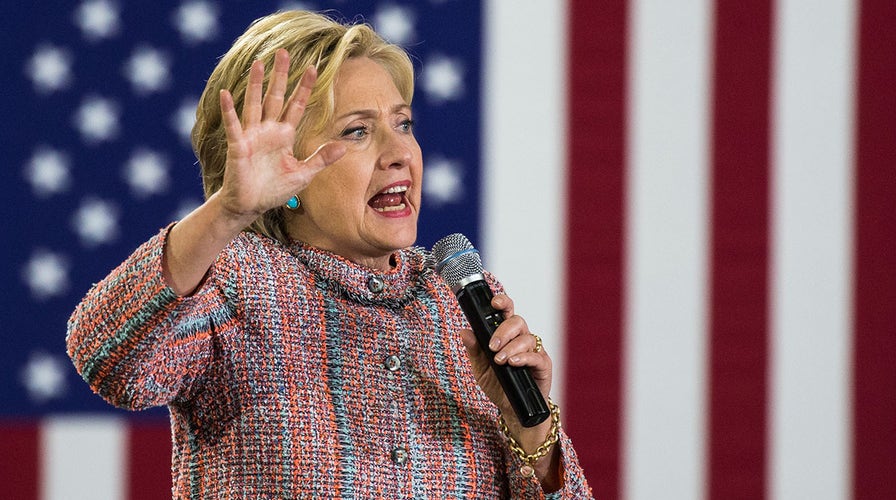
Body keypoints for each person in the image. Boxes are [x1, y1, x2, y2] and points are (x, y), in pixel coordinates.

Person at [66, 10, 594, 499]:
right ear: (282, 171)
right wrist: (227, 212)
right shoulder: (236, 278)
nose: (399, 154)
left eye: (403, 123)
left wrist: (530, 424)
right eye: (357, 131)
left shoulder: (456, 300)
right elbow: (107, 358)